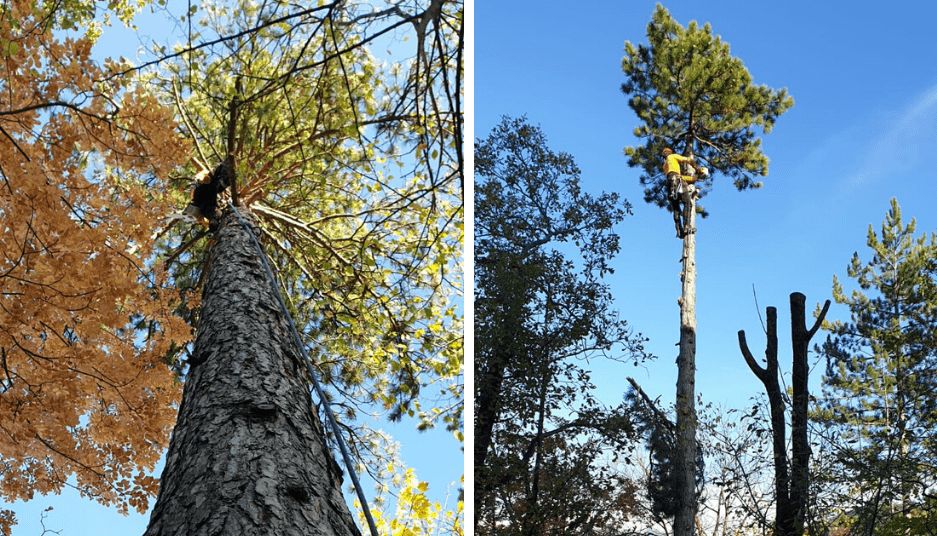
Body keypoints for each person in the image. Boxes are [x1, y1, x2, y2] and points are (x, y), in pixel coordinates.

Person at [661, 147, 697, 238]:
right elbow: (688, 160)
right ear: (670, 153)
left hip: (670, 186)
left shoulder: (665, 165)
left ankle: (679, 230)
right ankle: (687, 226)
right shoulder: (673, 156)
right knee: (688, 203)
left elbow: (674, 175)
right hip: (677, 182)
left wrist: (692, 179)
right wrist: (697, 168)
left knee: (676, 209)